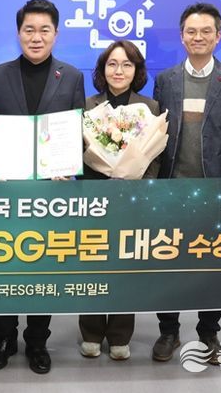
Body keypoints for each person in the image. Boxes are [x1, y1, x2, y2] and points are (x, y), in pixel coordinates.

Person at [0, 0, 85, 374]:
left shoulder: (72, 77)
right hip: (8, 189)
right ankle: (3, 339)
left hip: (51, 192)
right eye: (29, 30)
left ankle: (37, 341)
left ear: (56, 34)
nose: (36, 37)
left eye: (44, 30)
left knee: (44, 267)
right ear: (18, 32)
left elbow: (78, 128)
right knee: (3, 266)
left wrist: (71, 166)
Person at [151, 2, 221, 364]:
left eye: (206, 31)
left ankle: (208, 332)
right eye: (191, 31)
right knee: (167, 263)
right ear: (182, 37)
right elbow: (156, 137)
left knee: (212, 265)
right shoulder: (166, 80)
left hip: (215, 189)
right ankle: (168, 331)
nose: (198, 37)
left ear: (218, 36)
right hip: (172, 188)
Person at [79, 40, 160, 360]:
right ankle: (91, 332)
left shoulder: (149, 107)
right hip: (94, 196)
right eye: (112, 64)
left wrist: (137, 180)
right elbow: (77, 152)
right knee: (93, 263)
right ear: (102, 70)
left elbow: (156, 155)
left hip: (133, 197)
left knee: (126, 265)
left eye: (127, 64)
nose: (119, 70)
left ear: (136, 70)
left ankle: (119, 335)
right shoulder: (87, 106)